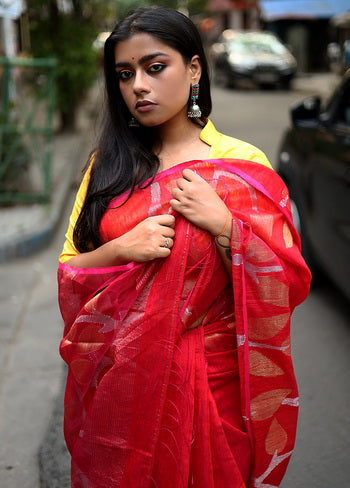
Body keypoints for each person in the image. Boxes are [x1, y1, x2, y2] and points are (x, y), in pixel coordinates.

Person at [57, 6, 311, 488]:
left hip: (217, 385)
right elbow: (72, 271)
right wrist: (122, 248)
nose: (138, 86)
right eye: (125, 75)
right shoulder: (106, 168)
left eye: (155, 68)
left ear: (194, 69)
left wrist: (225, 227)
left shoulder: (241, 164)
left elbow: (288, 282)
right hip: (124, 379)